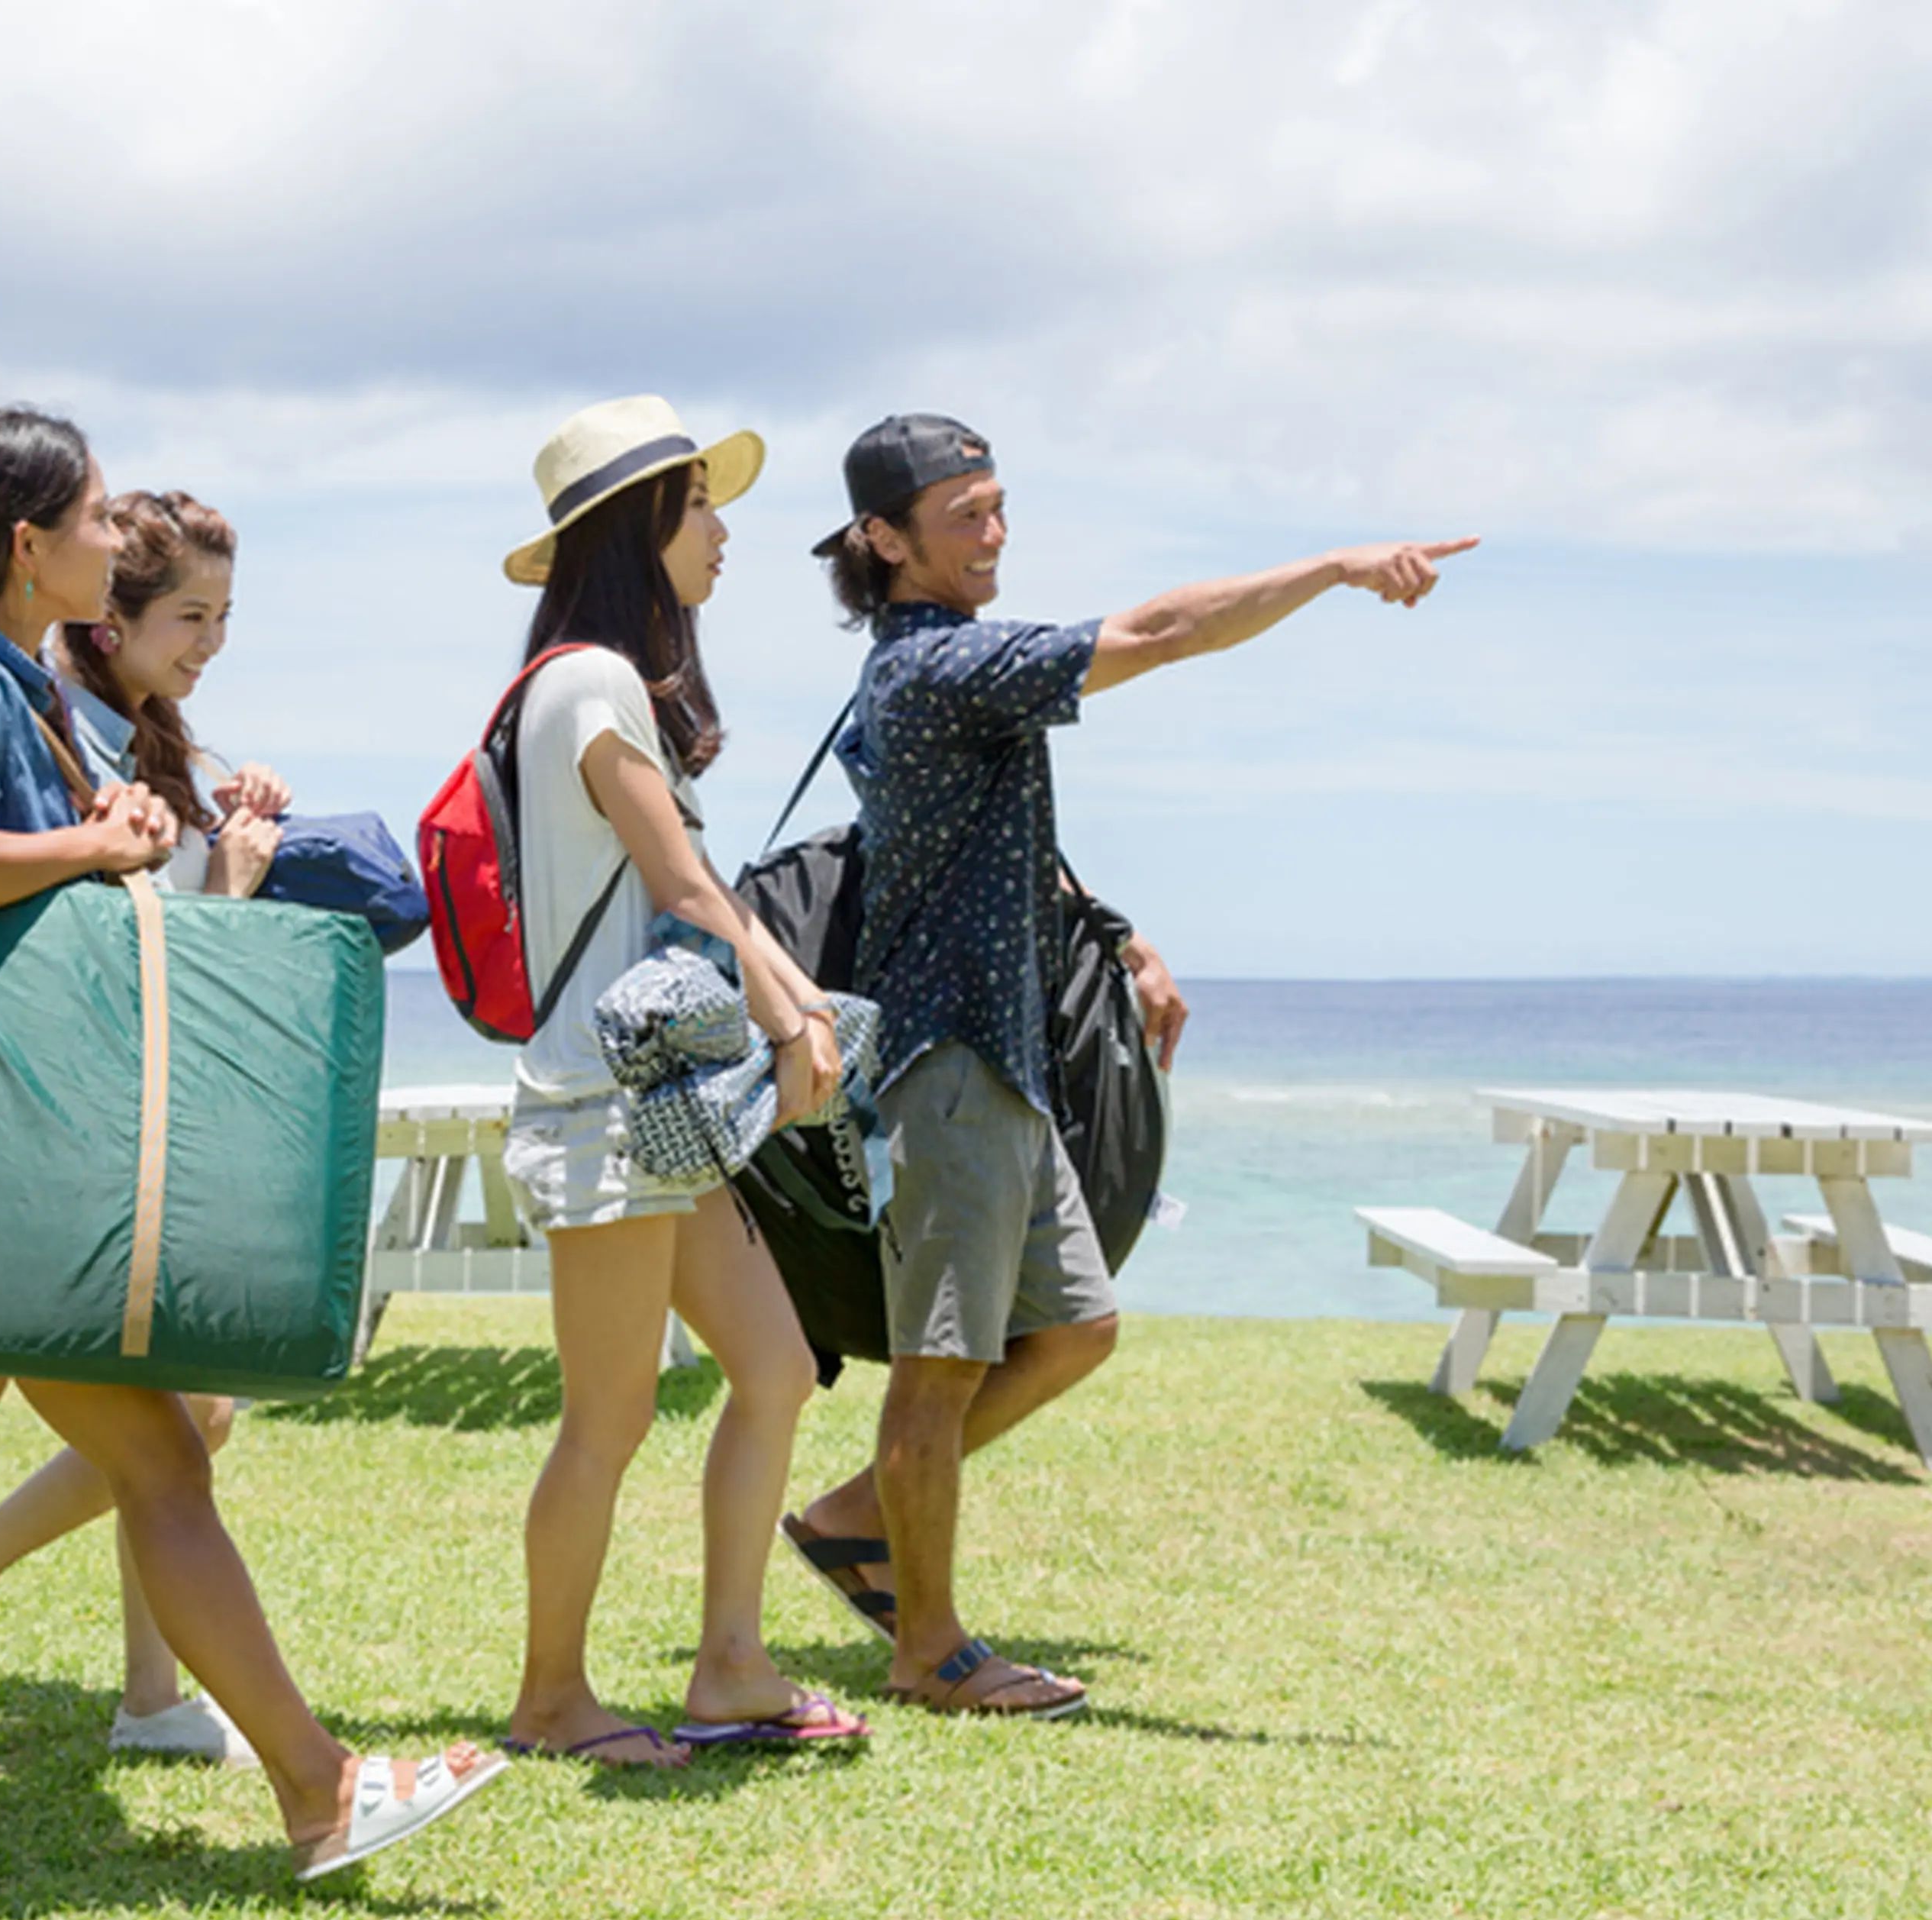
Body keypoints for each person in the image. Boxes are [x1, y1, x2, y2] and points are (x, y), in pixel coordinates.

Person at [0, 406, 497, 1873]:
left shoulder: (14, 684)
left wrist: (126, 818)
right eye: (90, 521)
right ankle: (323, 1792)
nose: (109, 536)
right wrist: (100, 842)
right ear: (31, 549)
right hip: (3, 1178)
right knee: (163, 1462)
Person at [781, 412, 1474, 1717]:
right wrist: (1332, 569)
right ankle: (927, 1649)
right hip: (951, 1060)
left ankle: (854, 1519)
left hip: (1007, 1057)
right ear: (885, 539)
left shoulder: (945, 673)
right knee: (941, 1366)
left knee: (1078, 1327)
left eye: (999, 506)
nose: (995, 532)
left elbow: (1004, 844)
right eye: (965, 515)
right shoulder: (934, 668)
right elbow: (1158, 631)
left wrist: (1119, 935)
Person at [0, 489, 292, 1769]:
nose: (212, 639)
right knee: (173, 1429)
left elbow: (161, 952)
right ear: (104, 619)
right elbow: (69, 932)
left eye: (226, 614)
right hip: (62, 1136)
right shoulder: (56, 735)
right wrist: (196, 873)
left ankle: (146, 1690)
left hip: (118, 1127)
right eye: (189, 614)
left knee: (186, 1424)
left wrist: (233, 853)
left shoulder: (140, 741)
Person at [495, 396, 866, 1765]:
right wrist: (788, 1016)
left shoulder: (605, 683)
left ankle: (731, 1665)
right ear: (640, 522)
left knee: (772, 1367)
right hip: (607, 1101)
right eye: (702, 506)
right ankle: (549, 1701)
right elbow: (684, 880)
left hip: (656, 1103)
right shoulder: (587, 681)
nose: (722, 535)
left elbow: (695, 888)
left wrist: (798, 1005)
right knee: (611, 1414)